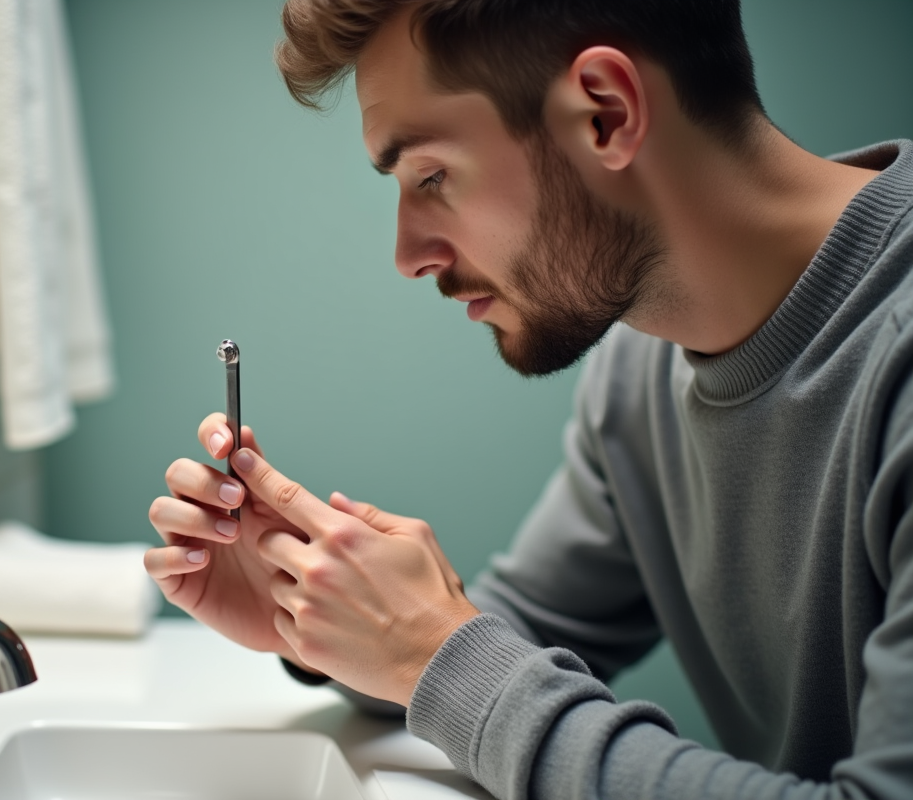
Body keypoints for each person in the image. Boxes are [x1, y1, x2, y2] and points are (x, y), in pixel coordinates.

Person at [145, 1, 913, 797]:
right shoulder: (639, 374)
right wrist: (305, 612)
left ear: (605, 114)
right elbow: (517, 633)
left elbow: (465, 661)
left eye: (433, 176)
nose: (409, 256)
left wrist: (432, 652)